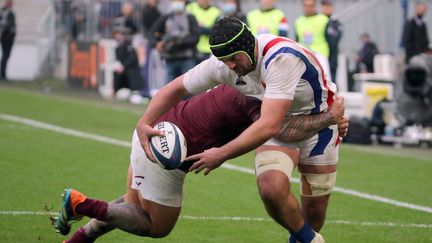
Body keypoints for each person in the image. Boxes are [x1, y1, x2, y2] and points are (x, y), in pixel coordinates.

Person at [135, 16, 343, 242]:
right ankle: (310, 239)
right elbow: (176, 87)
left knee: (314, 212)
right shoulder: (223, 65)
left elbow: (268, 125)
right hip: (277, 125)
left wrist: (221, 153)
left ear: (248, 45)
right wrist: (144, 122)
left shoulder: (280, 57)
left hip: (320, 124)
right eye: (224, 60)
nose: (230, 66)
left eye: (234, 58)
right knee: (271, 189)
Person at [52, 84, 347, 242]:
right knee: (155, 226)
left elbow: (179, 86)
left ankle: (78, 237)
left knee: (131, 206)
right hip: (166, 153)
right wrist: (328, 120)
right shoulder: (256, 98)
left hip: (151, 132)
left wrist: (329, 123)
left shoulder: (235, 76)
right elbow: (279, 129)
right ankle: (81, 204)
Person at [149, 0, 200, 83]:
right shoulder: (166, 17)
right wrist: (156, 43)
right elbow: (151, 33)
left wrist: (178, 42)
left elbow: (195, 38)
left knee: (190, 85)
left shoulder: (190, 17)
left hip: (187, 58)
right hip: (170, 58)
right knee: (169, 88)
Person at [295, 0, 331, 81]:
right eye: (306, 6)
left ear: (315, 6)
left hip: (320, 54)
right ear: (303, 7)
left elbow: (330, 41)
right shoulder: (298, 21)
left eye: (311, 6)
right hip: (304, 55)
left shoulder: (324, 19)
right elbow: (297, 40)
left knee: (325, 80)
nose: (309, 8)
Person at [321, 0, 343, 83]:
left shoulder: (335, 23)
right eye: (324, 6)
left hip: (332, 56)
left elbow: (335, 39)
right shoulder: (318, 21)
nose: (325, 9)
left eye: (328, 6)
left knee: (331, 80)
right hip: (321, 55)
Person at [0, 0, 15, 80]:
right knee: (5, 55)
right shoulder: (6, 12)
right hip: (7, 36)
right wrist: (2, 32)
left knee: (5, 55)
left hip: (7, 36)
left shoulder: (4, 11)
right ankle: (2, 74)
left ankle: (3, 73)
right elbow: (4, 24)